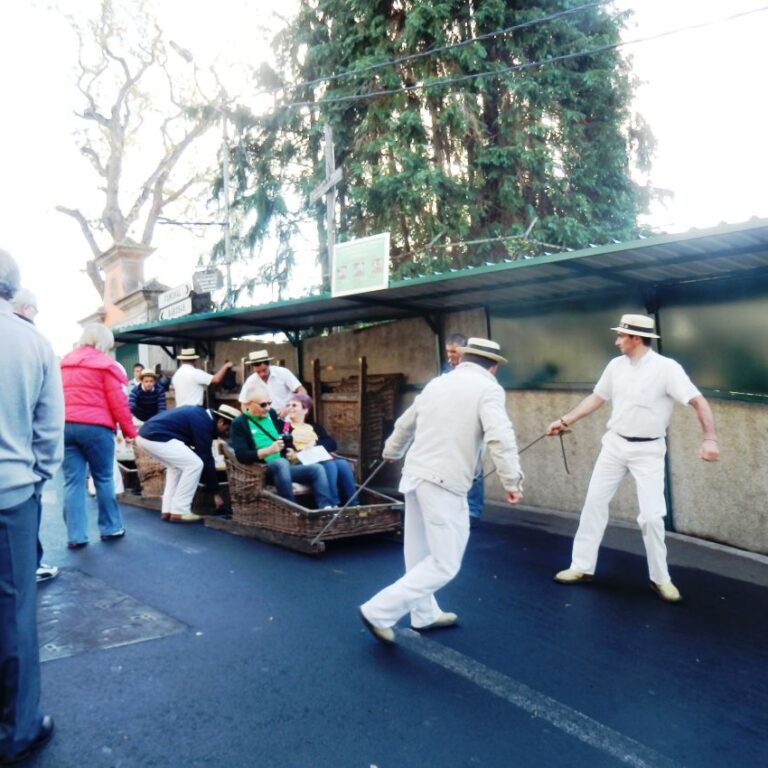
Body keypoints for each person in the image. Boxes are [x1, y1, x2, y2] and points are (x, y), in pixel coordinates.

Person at [359, 338, 524, 644]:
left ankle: (424, 615)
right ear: (493, 366)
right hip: (445, 483)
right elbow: (500, 437)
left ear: (463, 359)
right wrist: (512, 481)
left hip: (414, 476)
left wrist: (392, 450)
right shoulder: (488, 389)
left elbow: (406, 422)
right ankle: (378, 611)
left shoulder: (437, 384)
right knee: (445, 563)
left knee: (419, 555)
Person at [546, 314, 720, 603]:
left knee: (651, 518)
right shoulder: (615, 366)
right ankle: (581, 568)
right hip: (614, 445)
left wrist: (710, 438)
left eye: (621, 336)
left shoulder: (667, 369)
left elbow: (697, 401)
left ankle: (660, 579)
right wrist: (565, 420)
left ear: (636, 338)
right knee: (593, 505)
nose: (616, 341)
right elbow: (597, 398)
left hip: (649, 450)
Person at [0, 249, 63, 764]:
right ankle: (18, 729)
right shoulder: (33, 343)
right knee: (14, 613)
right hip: (10, 496)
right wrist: (35, 480)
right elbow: (48, 433)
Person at [60, 323, 138, 548]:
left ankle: (75, 536)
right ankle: (111, 528)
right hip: (97, 427)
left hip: (65, 425)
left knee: (73, 482)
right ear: (104, 342)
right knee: (103, 478)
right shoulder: (106, 365)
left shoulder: (63, 363)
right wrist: (129, 432)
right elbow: (119, 403)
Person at [10, 286, 60, 583]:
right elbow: (49, 421)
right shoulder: (34, 342)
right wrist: (40, 476)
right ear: (27, 308)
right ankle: (33, 563)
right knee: (16, 594)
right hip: (15, 477)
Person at [230, 383, 335, 509]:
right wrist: (268, 451)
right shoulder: (239, 423)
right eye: (263, 404)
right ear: (248, 404)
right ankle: (293, 509)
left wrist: (289, 449)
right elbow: (241, 455)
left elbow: (283, 436)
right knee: (280, 463)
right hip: (262, 469)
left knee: (317, 469)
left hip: (285, 465)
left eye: (270, 403)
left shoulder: (272, 414)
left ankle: (326, 508)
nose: (268, 407)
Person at [135, 405, 238, 522]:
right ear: (221, 421)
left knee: (176, 468)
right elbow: (206, 458)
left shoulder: (200, 415)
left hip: (144, 436)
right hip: (156, 436)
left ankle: (168, 509)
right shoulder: (204, 423)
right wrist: (215, 493)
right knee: (195, 464)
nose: (227, 433)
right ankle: (180, 510)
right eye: (227, 429)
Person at [284, 393, 359, 506]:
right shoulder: (285, 426)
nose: (290, 408)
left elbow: (332, 444)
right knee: (330, 464)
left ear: (305, 410)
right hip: (299, 461)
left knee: (343, 464)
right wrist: (301, 450)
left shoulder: (314, 427)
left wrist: (315, 444)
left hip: (316, 457)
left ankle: (354, 504)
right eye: (288, 405)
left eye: (294, 405)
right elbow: (285, 446)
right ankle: (333, 504)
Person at [442, 332, 485, 521]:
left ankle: (473, 510)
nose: (450, 355)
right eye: (448, 351)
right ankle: (455, 507)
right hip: (450, 425)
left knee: (475, 470)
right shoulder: (445, 370)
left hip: (471, 424)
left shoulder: (475, 370)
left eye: (453, 351)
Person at [239, 349, 307, 416]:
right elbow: (244, 404)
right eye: (258, 372)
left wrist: (291, 407)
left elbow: (302, 391)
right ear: (253, 368)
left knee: (287, 427)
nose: (262, 374)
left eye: (264, 370)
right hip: (266, 420)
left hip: (288, 417)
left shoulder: (283, 372)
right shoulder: (251, 381)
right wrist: (252, 417)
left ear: (269, 364)